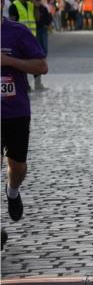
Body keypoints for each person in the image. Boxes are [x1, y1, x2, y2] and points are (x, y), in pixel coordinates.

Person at [1, 15, 48, 240]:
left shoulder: (17, 32)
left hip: (15, 112)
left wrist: (9, 61)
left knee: (17, 166)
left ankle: (13, 191)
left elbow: (42, 66)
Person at [8, 0, 46, 92]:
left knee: (37, 60)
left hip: (32, 38)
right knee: (22, 63)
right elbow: (12, 22)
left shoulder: (30, 4)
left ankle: (38, 84)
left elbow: (37, 19)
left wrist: (37, 7)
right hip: (19, 39)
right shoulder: (14, 6)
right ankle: (26, 86)